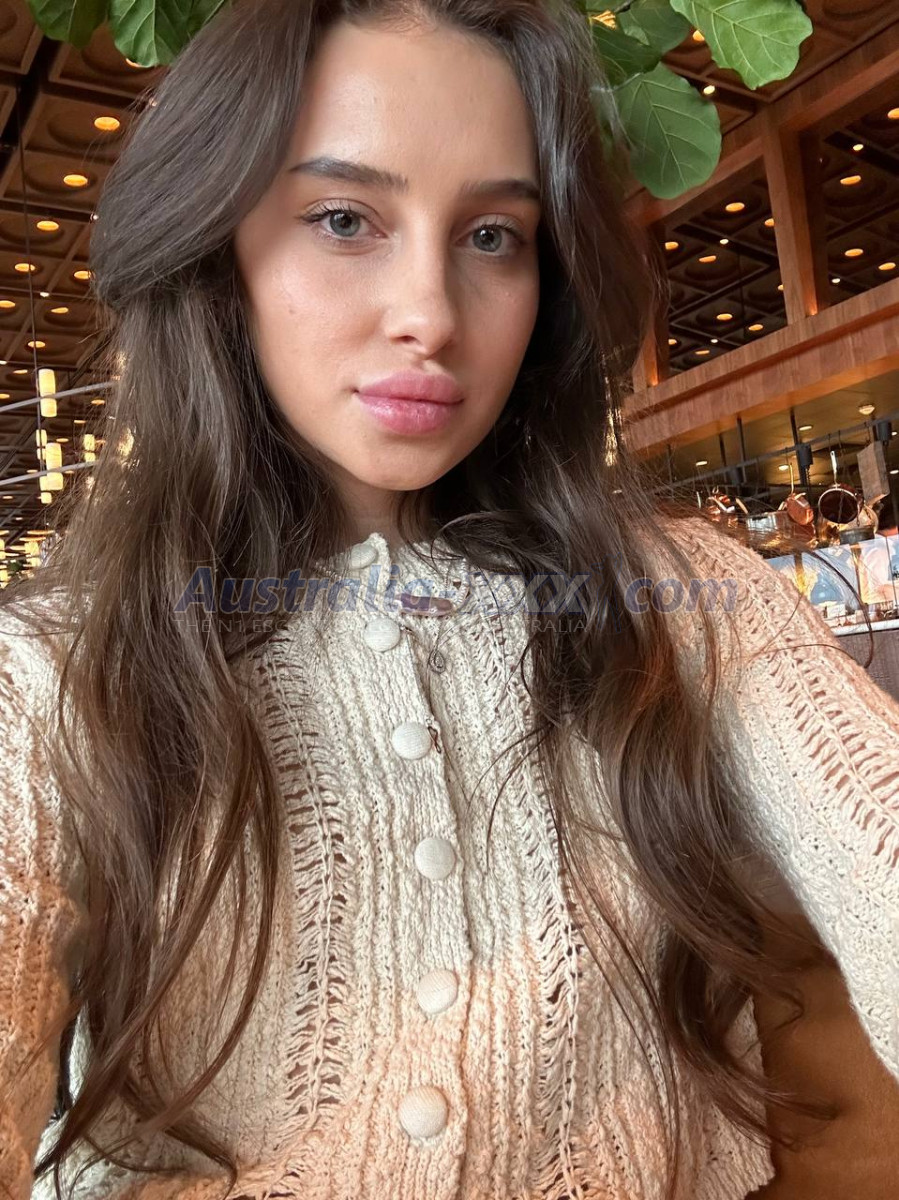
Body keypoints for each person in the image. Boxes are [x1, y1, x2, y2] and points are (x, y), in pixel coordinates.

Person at [0, 1, 897, 1198]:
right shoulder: (54, 671)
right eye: (342, 219)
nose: (429, 312)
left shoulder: (683, 600)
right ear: (216, 247)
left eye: (490, 236)